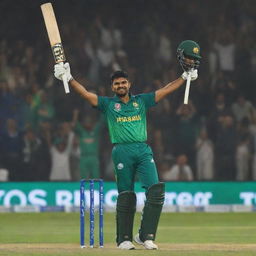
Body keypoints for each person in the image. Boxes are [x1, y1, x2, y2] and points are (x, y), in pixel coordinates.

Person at [54, 40, 201, 250]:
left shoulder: (140, 101)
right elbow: (86, 94)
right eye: (117, 84)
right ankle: (123, 239)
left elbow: (166, 90)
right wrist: (68, 77)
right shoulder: (108, 105)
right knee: (126, 195)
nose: (121, 86)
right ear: (112, 87)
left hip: (142, 149)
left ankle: (145, 236)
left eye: (123, 83)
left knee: (156, 190)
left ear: (129, 84)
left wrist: (184, 77)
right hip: (121, 151)